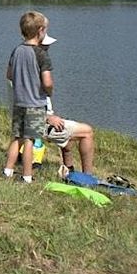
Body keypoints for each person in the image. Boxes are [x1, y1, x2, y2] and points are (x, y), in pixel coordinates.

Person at [3, 11, 52, 183]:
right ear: (40, 31)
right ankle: (27, 175)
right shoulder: (41, 54)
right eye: (45, 30)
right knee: (30, 139)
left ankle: (8, 170)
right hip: (35, 103)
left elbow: (9, 75)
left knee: (17, 137)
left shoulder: (16, 50)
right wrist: (49, 91)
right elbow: (47, 81)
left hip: (19, 102)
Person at [37, 34, 97, 176]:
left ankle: (68, 171)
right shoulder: (37, 67)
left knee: (67, 136)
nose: (48, 48)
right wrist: (47, 117)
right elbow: (27, 102)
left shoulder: (22, 62)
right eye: (45, 46)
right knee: (87, 132)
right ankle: (87, 177)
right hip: (38, 121)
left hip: (34, 118)